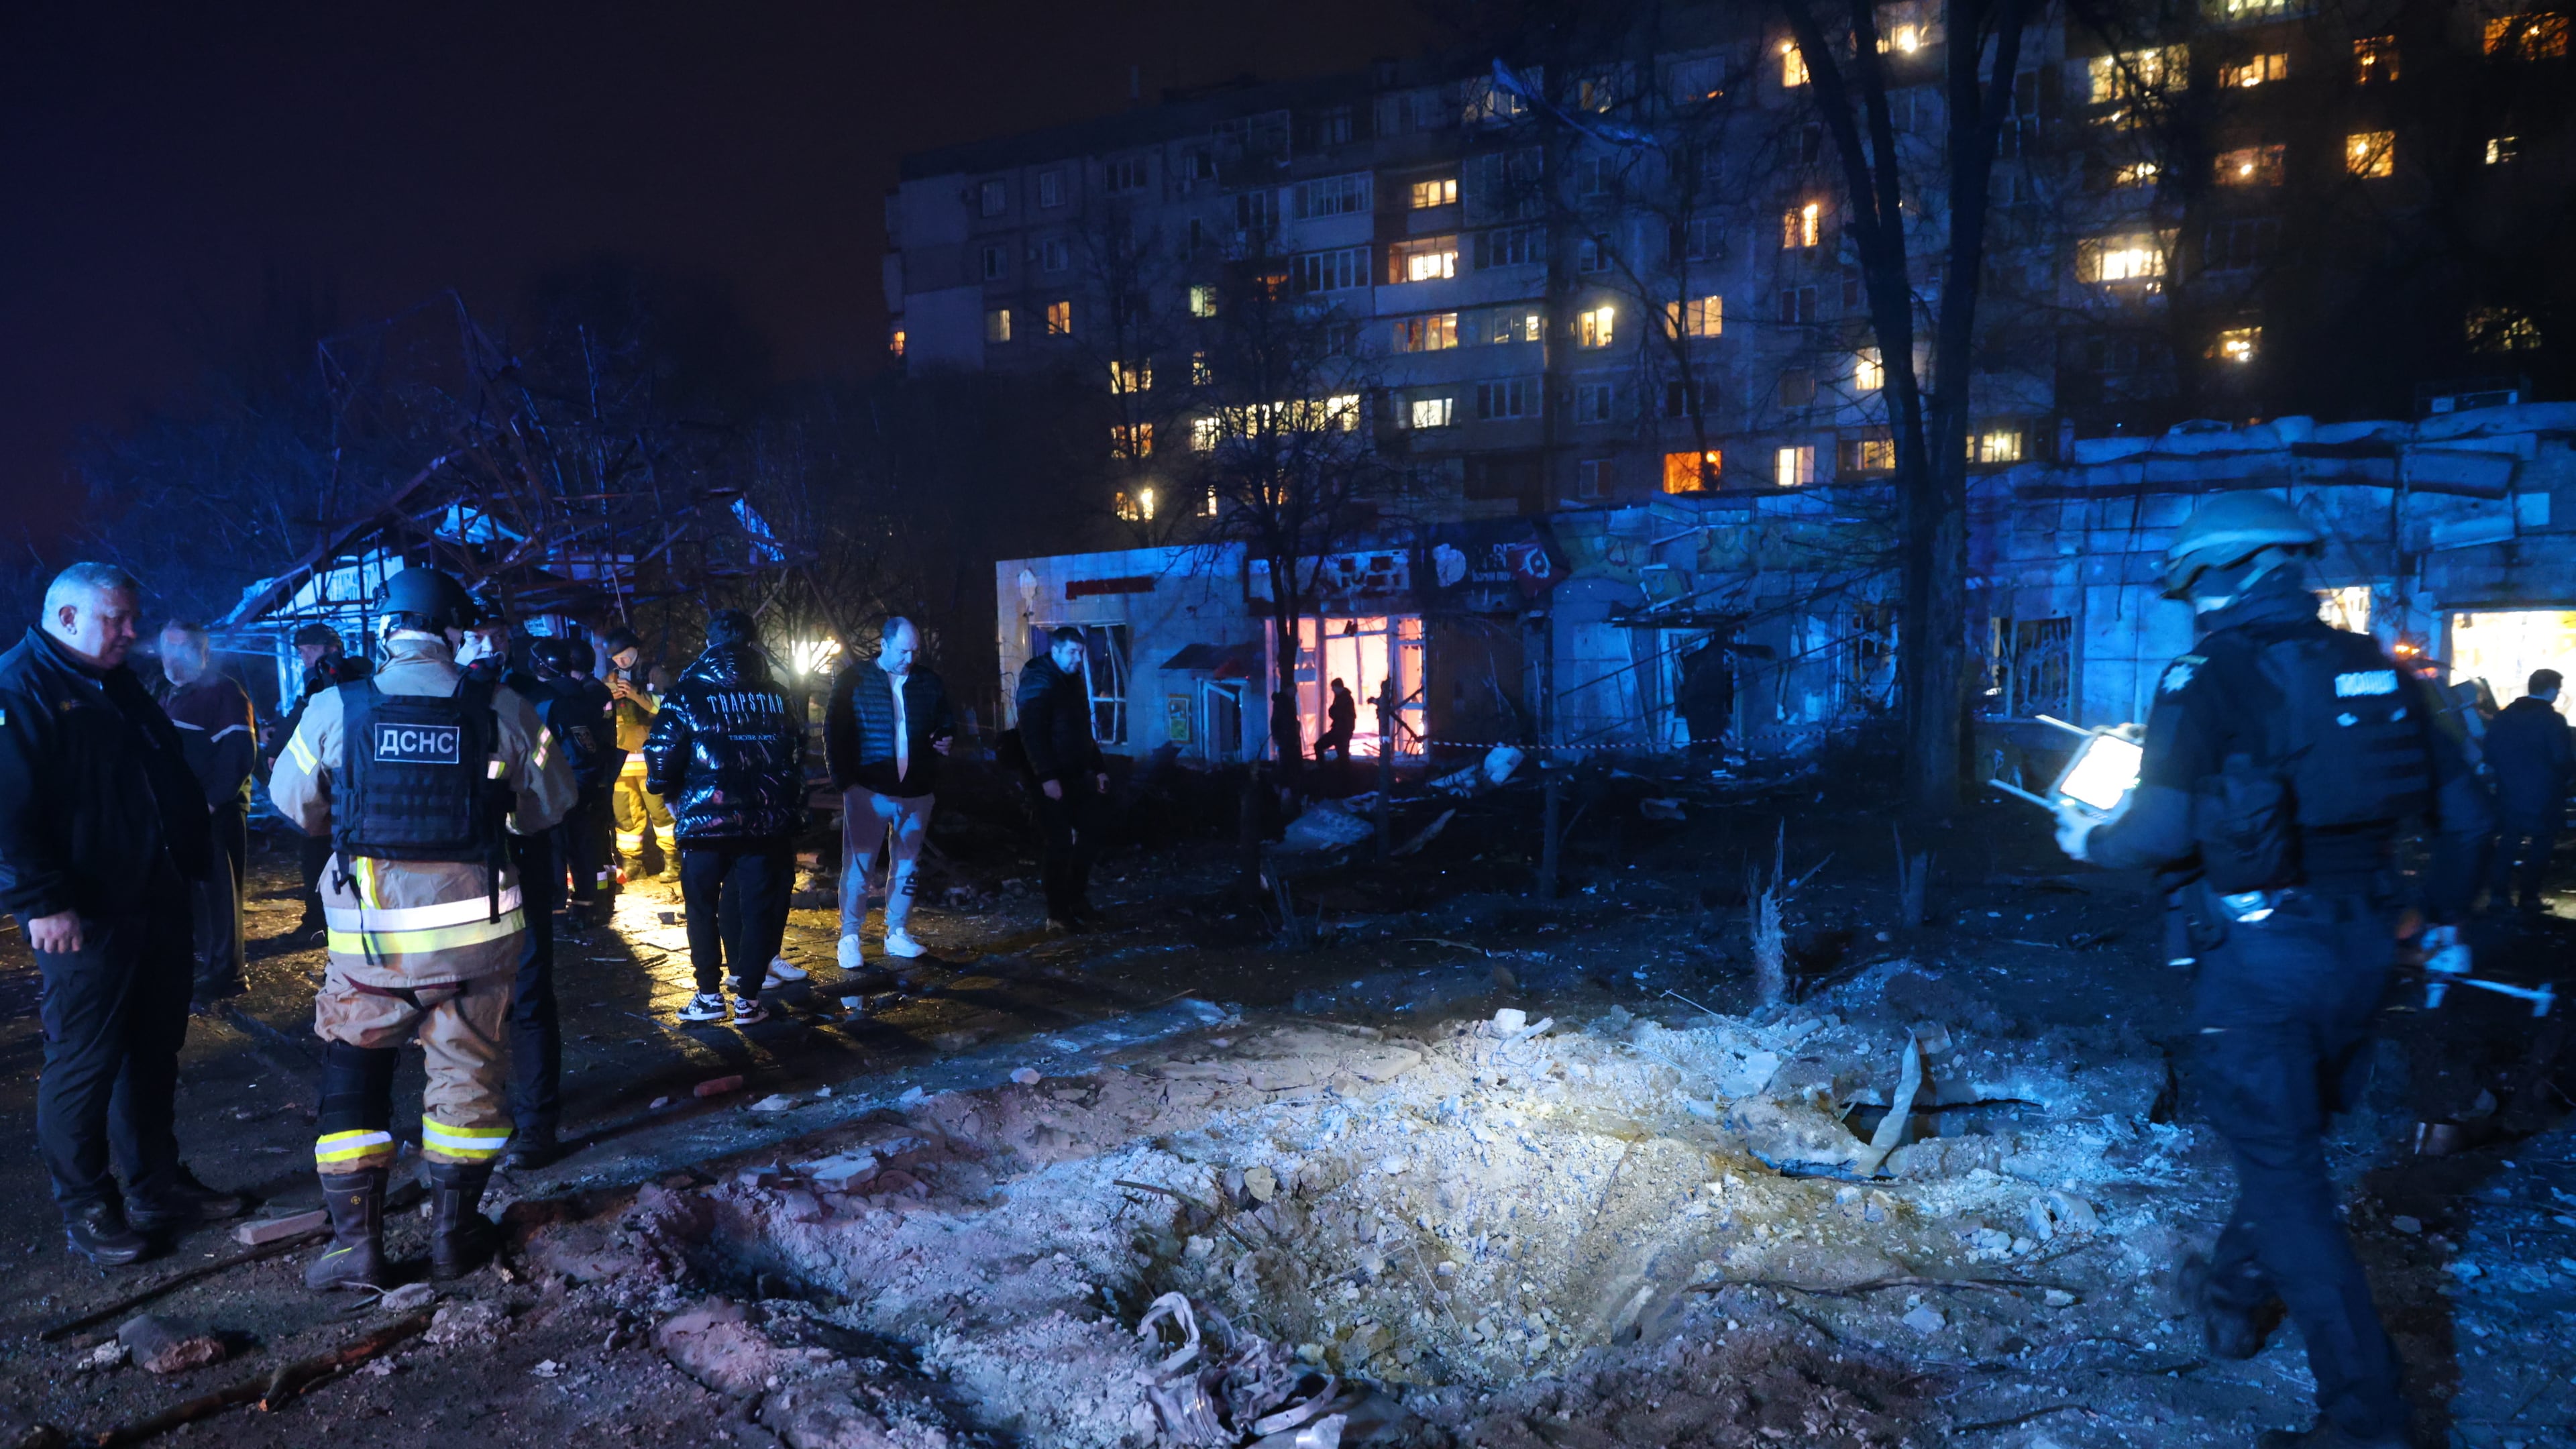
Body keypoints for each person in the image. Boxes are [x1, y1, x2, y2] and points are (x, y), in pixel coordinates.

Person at [2055, 493, 2489, 1449]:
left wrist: (2095, 838)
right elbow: (2468, 815)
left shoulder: (2208, 674)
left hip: (2263, 954)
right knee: (2285, 1141)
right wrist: (2446, 921)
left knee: (2287, 1174)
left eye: (2187, 585)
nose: (2186, 603)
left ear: (2222, 575)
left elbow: (2164, 829)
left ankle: (2367, 1419)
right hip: (2369, 947)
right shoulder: (2378, 665)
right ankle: (2232, 1295)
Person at [269, 567, 575, 1289]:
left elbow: (294, 805)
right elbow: (549, 807)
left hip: (370, 948)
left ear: (386, 628)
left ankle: (355, 1249)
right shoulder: (503, 708)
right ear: (456, 632)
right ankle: (454, 1235)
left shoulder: (333, 708)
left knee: (353, 1080)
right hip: (475, 947)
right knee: (467, 1082)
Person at [0, 564, 241, 1265]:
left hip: (153, 894)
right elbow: (9, 812)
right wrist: (42, 900)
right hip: (87, 911)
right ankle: (88, 1207)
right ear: (67, 618)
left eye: (132, 617)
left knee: (152, 1049)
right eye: (117, 619)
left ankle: (156, 1185)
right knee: (85, 1059)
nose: (133, 632)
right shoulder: (21, 687)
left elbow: (155, 771)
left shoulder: (113, 680)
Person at [644, 610, 807, 1026]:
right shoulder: (778, 694)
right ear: (753, 643)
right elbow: (795, 751)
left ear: (710, 643)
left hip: (705, 822)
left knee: (701, 908)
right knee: (756, 909)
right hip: (764, 823)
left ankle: (708, 995)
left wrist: (668, 790)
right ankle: (748, 1000)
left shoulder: (686, 693)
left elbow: (661, 749)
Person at [458, 592, 567, 1169]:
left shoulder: (526, 700)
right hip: (483, 878)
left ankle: (527, 1123)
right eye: (477, 633)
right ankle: (508, 1122)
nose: (488, 644)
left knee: (516, 1001)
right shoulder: (511, 702)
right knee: (484, 1005)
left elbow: (553, 794)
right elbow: (553, 799)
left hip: (503, 875)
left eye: (496, 633)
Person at [824, 617, 956, 971]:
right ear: (883, 644)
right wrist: (845, 782)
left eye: (915, 651)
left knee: (908, 864)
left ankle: (897, 931)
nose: (909, 658)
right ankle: (850, 935)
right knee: (859, 865)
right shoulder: (855, 680)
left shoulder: (927, 681)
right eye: (903, 650)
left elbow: (946, 719)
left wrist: (945, 735)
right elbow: (835, 732)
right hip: (868, 789)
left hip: (916, 789)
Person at [155, 621, 256, 1010]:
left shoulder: (224, 692)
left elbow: (239, 755)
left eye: (181, 649)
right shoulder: (168, 693)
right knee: (192, 896)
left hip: (216, 813)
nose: (171, 657)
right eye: (167, 648)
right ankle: (205, 968)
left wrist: (212, 802)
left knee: (219, 897)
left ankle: (228, 976)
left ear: (203, 653)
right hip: (182, 814)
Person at [268, 623, 370, 942]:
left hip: (337, 787)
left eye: (306, 651)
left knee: (322, 855)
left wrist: (277, 745)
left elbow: (310, 716)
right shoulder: (323, 679)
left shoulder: (344, 679)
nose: (302, 658)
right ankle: (320, 918)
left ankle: (320, 923)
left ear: (328, 648)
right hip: (332, 786)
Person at [1016, 627, 1109, 931]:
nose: (1077, 659)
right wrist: (1046, 776)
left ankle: (1076, 899)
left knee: (1091, 834)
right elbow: (1032, 733)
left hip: (1075, 772)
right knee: (1058, 844)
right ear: (1054, 651)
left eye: (1080, 653)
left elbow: (1083, 730)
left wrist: (1098, 767)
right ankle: (1057, 912)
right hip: (1052, 776)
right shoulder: (1039, 681)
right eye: (1071, 652)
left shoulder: (1071, 680)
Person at [531, 636, 622, 933]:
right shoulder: (584, 696)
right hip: (590, 781)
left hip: (557, 787)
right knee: (590, 849)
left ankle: (558, 913)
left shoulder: (544, 701)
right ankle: (591, 905)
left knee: (555, 852)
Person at [2483, 667, 2572, 916]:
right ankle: (2529, 898)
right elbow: (2562, 758)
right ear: (2552, 690)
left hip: (2508, 793)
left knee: (2507, 844)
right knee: (2540, 846)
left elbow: (2489, 753)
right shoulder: (2552, 721)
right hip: (2544, 795)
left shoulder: (2504, 716)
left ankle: (2499, 897)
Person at [604, 627, 679, 885]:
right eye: (615, 658)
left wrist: (636, 694)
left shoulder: (654, 673)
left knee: (661, 812)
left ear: (636, 649)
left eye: (624, 655)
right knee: (625, 813)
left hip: (650, 757)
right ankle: (631, 862)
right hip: (621, 759)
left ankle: (672, 859)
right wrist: (608, 698)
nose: (620, 662)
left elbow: (668, 707)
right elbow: (599, 713)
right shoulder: (610, 678)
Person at [1318, 679, 1356, 763]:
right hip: (1341, 731)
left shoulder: (1343, 699)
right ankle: (1344, 773)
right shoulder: (1343, 698)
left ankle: (1322, 769)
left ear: (1337, 687)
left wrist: (1332, 711)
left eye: (1333, 687)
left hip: (1341, 731)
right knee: (1343, 756)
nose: (1332, 690)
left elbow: (1336, 713)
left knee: (1342, 756)